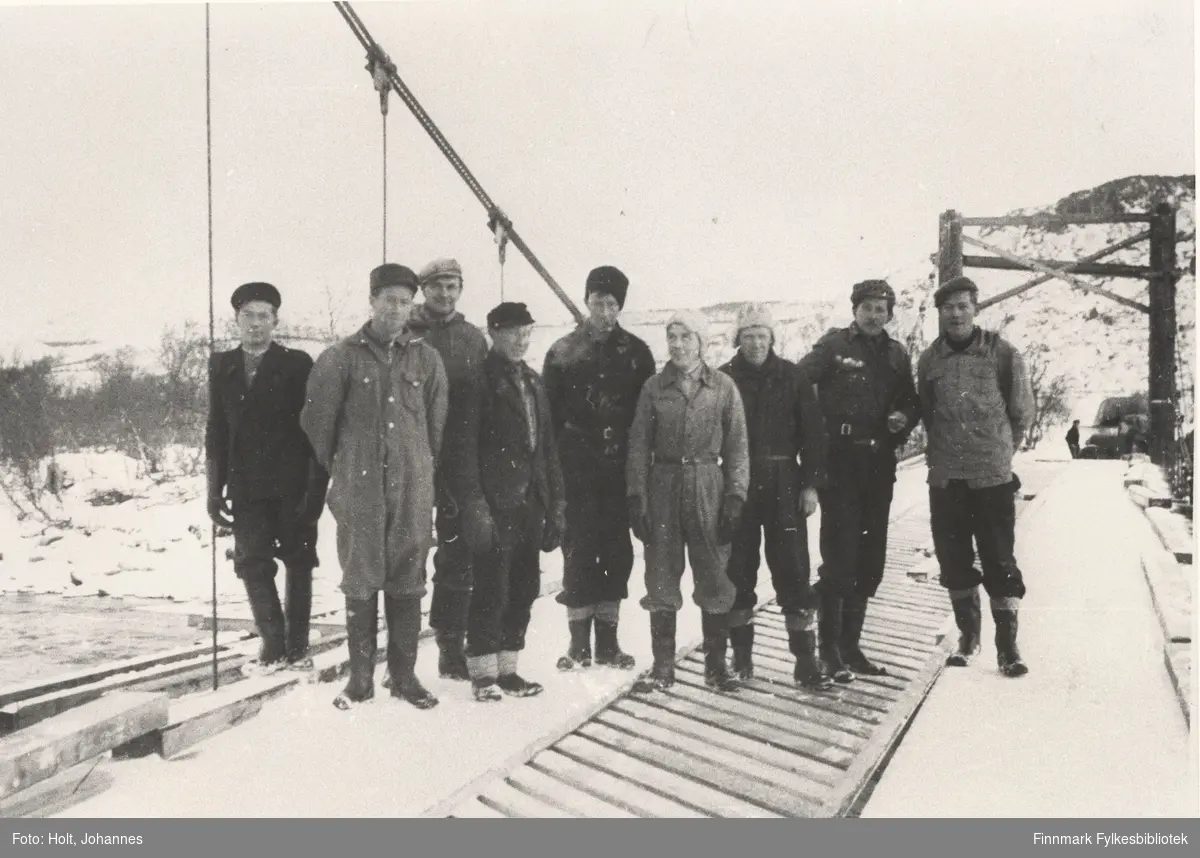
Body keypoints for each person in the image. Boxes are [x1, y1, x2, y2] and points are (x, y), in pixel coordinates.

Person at [301, 263, 448, 710]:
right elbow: (317, 426)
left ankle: (403, 678)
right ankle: (359, 681)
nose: (397, 310)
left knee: (408, 580)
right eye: (388, 301)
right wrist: (350, 469)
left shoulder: (426, 359)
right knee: (360, 581)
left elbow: (435, 427)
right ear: (372, 301)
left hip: (411, 492)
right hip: (360, 493)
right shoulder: (340, 358)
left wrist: (416, 469)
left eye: (405, 302)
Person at [797, 280, 919, 683]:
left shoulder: (897, 354)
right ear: (855, 310)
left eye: (881, 309)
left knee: (870, 562)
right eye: (866, 307)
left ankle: (851, 648)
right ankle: (828, 652)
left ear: (889, 313)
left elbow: (911, 402)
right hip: (841, 465)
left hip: (878, 465)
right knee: (840, 559)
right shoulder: (833, 346)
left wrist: (902, 421)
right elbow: (797, 383)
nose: (873, 315)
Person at [445, 302, 566, 702]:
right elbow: (462, 455)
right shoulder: (475, 382)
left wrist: (555, 506)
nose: (521, 339)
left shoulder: (533, 382)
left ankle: (509, 670)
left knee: (523, 587)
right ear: (493, 333)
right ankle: (482, 675)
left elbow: (546, 449)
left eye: (527, 332)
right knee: (490, 589)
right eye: (513, 332)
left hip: (530, 505)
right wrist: (475, 509)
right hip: (494, 508)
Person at [205, 282, 327, 674]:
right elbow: (217, 430)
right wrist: (213, 489)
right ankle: (273, 645)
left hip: (292, 484)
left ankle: (298, 648)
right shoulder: (221, 365)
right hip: (246, 487)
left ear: (275, 320)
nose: (255, 324)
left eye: (263, 316)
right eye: (247, 316)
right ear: (236, 319)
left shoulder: (297, 364)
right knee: (252, 563)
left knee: (299, 560)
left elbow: (314, 431)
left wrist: (315, 489)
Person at [626, 311, 750, 694]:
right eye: (672, 336)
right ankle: (663, 669)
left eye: (685, 337)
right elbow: (638, 446)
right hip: (663, 485)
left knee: (714, 574)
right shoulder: (654, 387)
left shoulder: (723, 387)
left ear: (701, 342)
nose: (677, 344)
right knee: (661, 573)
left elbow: (738, 448)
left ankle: (716, 667)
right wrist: (637, 498)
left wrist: (735, 498)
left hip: (707, 486)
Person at [917, 275, 1033, 677]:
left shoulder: (1003, 354)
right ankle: (969, 637)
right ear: (940, 314)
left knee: (1000, 560)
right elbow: (929, 413)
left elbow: (1021, 414)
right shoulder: (930, 360)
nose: (956, 314)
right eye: (948, 308)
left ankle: (1008, 646)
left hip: (992, 479)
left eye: (963, 306)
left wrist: (999, 454)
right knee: (953, 559)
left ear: (976, 310)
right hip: (947, 478)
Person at [543, 266, 656, 673]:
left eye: (612, 304)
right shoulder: (562, 352)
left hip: (619, 473)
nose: (604, 311)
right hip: (577, 473)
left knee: (617, 554)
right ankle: (578, 646)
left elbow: (647, 418)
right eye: (597, 302)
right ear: (587, 301)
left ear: (620, 306)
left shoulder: (638, 354)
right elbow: (548, 422)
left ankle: (608, 643)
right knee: (578, 554)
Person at [718, 304, 832, 690]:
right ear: (738, 339)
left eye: (762, 335)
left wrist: (811, 485)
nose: (755, 343)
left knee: (794, 570)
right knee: (738, 570)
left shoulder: (792, 377)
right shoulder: (723, 379)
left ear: (772, 338)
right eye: (748, 336)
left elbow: (814, 434)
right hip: (738, 483)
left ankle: (805, 662)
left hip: (785, 481)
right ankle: (742, 657)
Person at [408, 257, 489, 682]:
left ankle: (449, 646)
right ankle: (399, 656)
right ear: (424, 289)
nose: (445, 293)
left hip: (459, 459)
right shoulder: (406, 330)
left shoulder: (472, 338)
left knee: (457, 555)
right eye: (437, 286)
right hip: (413, 456)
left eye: (452, 286)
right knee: (405, 554)